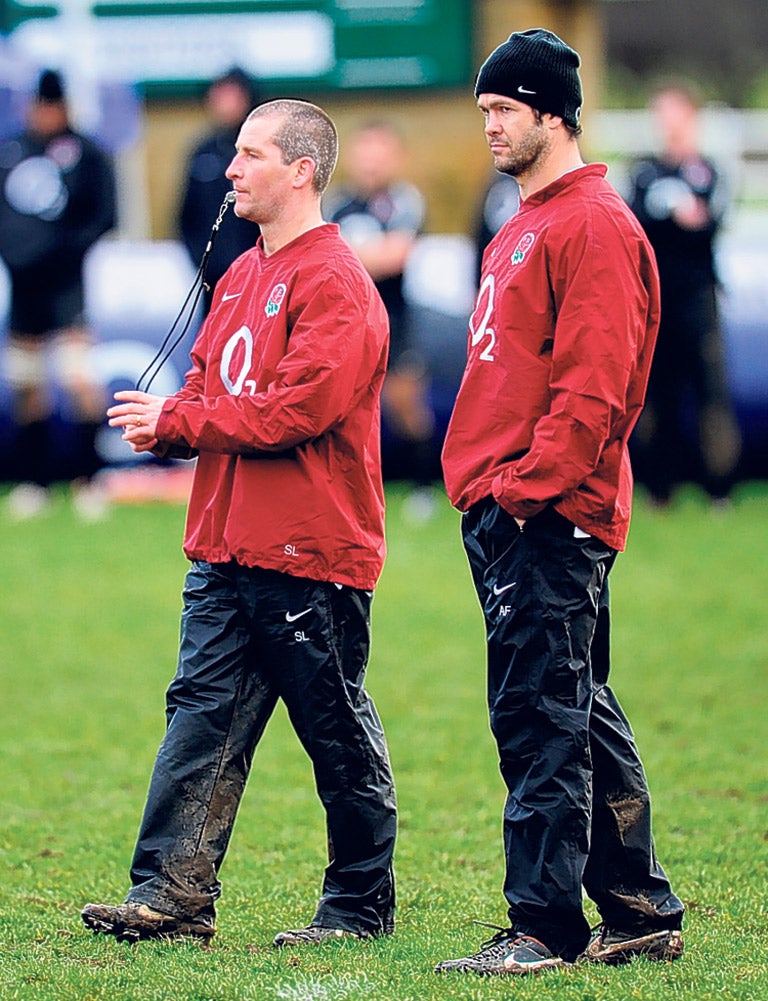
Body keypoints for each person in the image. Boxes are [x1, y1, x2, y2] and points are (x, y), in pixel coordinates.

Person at [81, 99, 397, 946]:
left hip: (309, 551)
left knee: (333, 728)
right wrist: (169, 412)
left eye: (250, 155)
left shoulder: (336, 281)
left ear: (301, 171)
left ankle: (360, 901)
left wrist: (181, 423)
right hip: (223, 543)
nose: (230, 169)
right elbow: (205, 383)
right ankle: (172, 897)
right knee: (198, 713)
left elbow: (297, 409)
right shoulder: (240, 274)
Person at [438, 29, 685, 976]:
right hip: (511, 502)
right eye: (486, 111)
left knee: (539, 716)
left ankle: (544, 923)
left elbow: (595, 387)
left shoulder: (594, 224)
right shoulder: (523, 218)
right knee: (576, 702)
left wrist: (524, 490)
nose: (491, 126)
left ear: (552, 112)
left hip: (548, 509)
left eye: (504, 110)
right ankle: (638, 907)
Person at [0, 68, 116, 519]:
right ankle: (35, 481)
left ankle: (90, 477)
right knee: (27, 384)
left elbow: (103, 214)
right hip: (26, 286)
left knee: (79, 379)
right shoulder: (12, 151)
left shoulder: (86, 153)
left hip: (68, 286)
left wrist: (60, 251)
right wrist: (21, 254)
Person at [627, 83, 741, 507]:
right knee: (655, 394)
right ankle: (660, 487)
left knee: (711, 391)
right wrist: (676, 217)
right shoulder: (644, 172)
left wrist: (681, 218)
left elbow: (707, 224)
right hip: (654, 299)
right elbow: (634, 225)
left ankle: (719, 488)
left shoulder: (709, 171)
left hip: (698, 298)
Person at [324, 122, 436, 518]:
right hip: (344, 321)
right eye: (365, 154)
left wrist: (352, 257)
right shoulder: (336, 203)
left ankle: (424, 486)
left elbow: (396, 255)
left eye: (380, 155)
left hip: (393, 318)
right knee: (340, 406)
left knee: (405, 402)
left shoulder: (405, 200)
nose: (371, 164)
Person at [178, 68, 260, 314]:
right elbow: (186, 214)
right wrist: (202, 261)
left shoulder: (263, 150)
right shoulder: (202, 152)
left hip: (259, 275)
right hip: (213, 280)